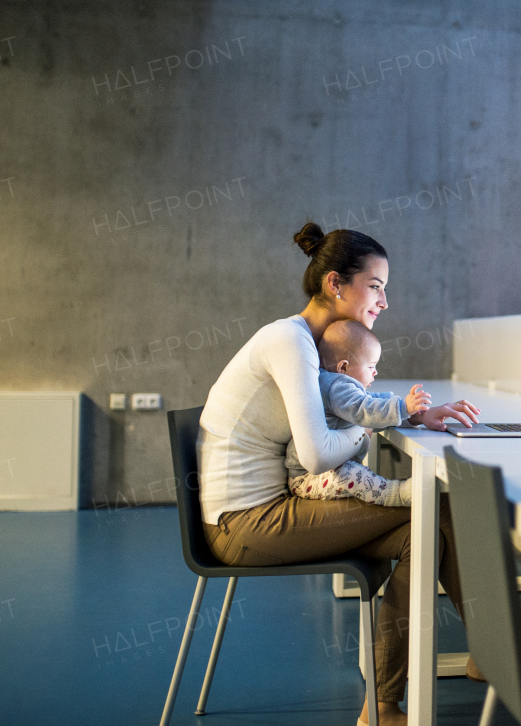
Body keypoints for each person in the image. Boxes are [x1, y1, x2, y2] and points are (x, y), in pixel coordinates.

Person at [197, 223, 481, 726]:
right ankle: (418, 688)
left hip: (263, 510)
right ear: (334, 284)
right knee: (434, 514)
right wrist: (372, 430)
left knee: (430, 525)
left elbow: (334, 424)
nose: (384, 302)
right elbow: (316, 455)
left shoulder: (304, 343)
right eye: (375, 286)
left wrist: (404, 415)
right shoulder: (290, 342)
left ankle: (434, 679)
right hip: (243, 525)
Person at [285, 319, 426, 507]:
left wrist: (408, 408)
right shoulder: (337, 387)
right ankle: (396, 494)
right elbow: (364, 409)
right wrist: (402, 408)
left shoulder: (334, 383)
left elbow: (371, 398)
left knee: (351, 470)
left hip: (319, 473)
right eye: (370, 366)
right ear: (343, 367)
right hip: (306, 480)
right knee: (349, 473)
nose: (375, 372)